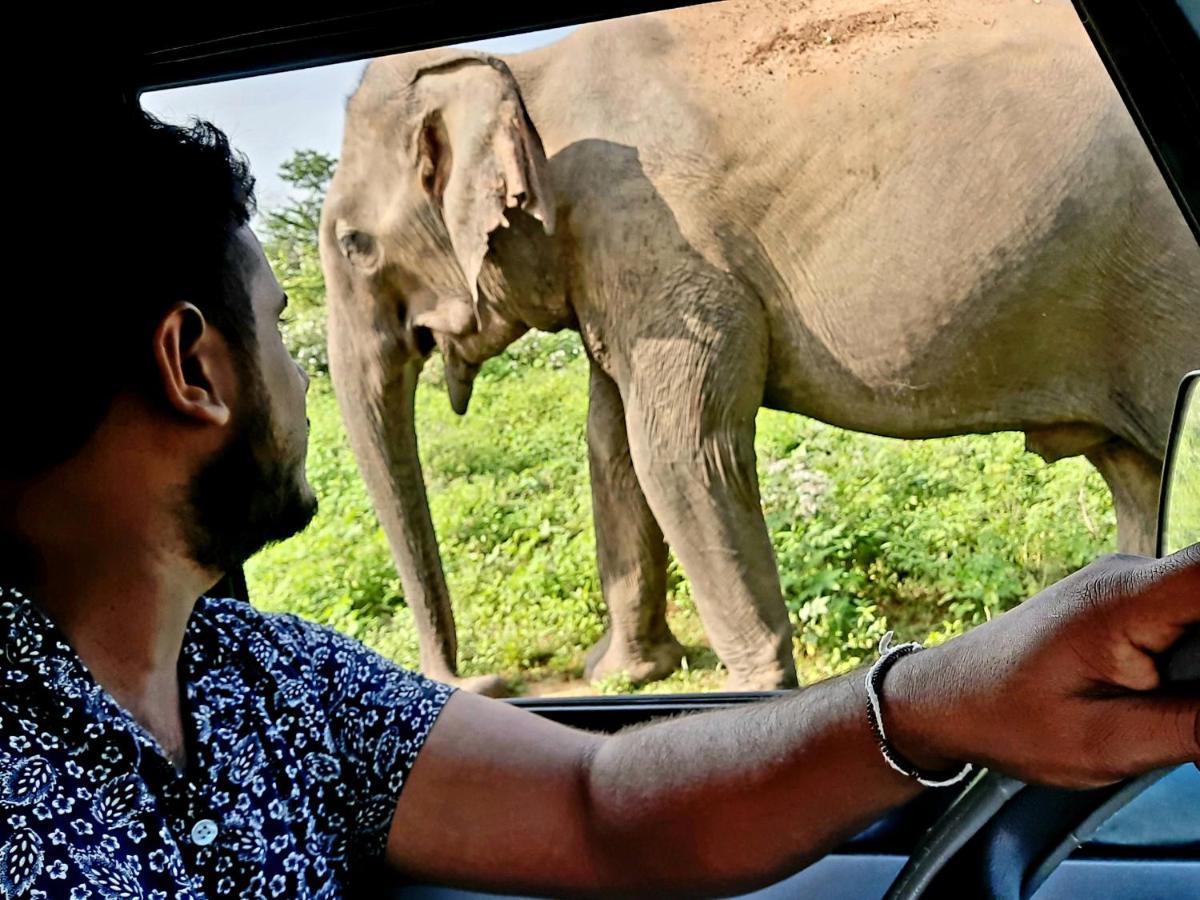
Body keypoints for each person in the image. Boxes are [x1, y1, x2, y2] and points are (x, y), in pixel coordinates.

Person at [0, 111, 1195, 899]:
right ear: (193, 367)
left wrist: (941, 699)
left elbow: (598, 802)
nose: (307, 374)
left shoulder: (274, 684)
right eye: (277, 333)